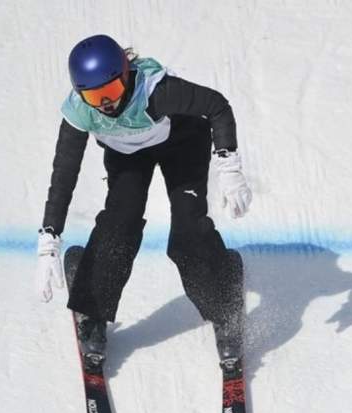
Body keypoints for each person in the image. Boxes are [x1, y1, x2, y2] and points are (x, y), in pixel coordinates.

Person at [35, 34, 252, 362]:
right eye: (94, 96)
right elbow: (64, 174)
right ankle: (91, 307)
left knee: (188, 233)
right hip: (127, 154)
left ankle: (225, 301)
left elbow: (217, 106)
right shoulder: (80, 112)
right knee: (119, 224)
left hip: (181, 141)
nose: (106, 104)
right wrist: (49, 239)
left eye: (111, 90)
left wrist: (229, 165)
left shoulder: (157, 92)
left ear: (126, 74)